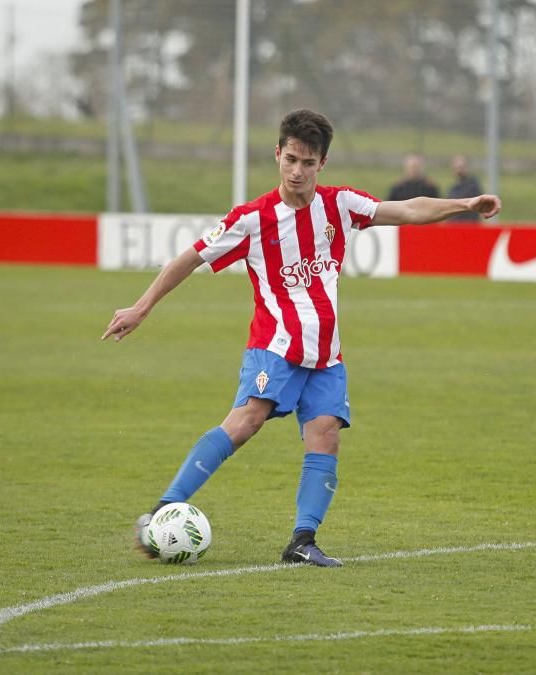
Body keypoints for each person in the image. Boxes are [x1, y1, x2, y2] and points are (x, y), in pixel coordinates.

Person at [103, 109, 501, 567]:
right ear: (278, 154)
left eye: (307, 163)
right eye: (290, 159)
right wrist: (142, 306)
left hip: (326, 354)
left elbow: (409, 210)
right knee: (246, 421)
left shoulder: (340, 205)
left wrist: (465, 205)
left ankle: (301, 542)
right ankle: (160, 511)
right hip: (275, 347)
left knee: (325, 434)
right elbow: (189, 259)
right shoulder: (251, 219)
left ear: (321, 164)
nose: (297, 171)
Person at [446, 154, 484, 223]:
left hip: (469, 226)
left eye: (461, 167)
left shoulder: (473, 186)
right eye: (456, 168)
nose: (459, 171)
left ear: (467, 168)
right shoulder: (453, 188)